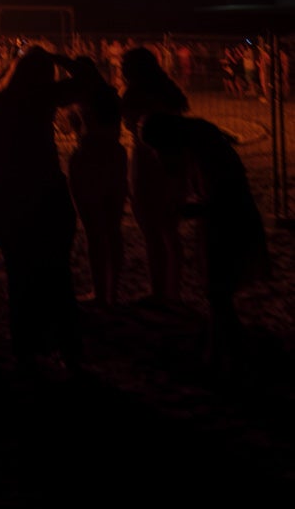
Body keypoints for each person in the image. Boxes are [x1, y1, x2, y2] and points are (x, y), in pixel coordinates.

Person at [0, 48, 81, 371]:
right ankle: (66, 347)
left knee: (19, 275)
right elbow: (88, 81)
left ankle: (26, 346)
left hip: (3, 195)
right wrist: (62, 60)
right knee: (57, 274)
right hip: (43, 194)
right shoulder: (40, 97)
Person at [142, 112, 269, 373]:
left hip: (228, 220)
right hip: (224, 217)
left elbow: (222, 194)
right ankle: (223, 349)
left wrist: (190, 210)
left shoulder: (206, 152)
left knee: (217, 290)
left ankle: (227, 354)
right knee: (216, 291)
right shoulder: (200, 140)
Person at [120, 46, 189, 305]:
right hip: (174, 161)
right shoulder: (168, 91)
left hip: (147, 163)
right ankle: (173, 290)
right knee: (170, 230)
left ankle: (158, 290)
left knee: (151, 231)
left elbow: (130, 123)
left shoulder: (133, 94)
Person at [66, 57, 127, 309]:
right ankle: (113, 291)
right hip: (115, 156)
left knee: (94, 231)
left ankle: (100, 292)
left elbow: (72, 127)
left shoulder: (82, 98)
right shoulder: (111, 94)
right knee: (113, 229)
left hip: (89, 157)